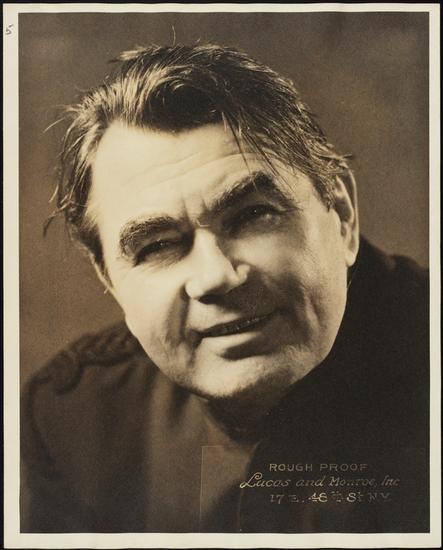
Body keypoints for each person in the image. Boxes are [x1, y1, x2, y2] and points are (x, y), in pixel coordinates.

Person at [21, 43, 429, 533]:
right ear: (108, 277)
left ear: (341, 216)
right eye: (157, 245)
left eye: (253, 215)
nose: (216, 275)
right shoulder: (74, 419)